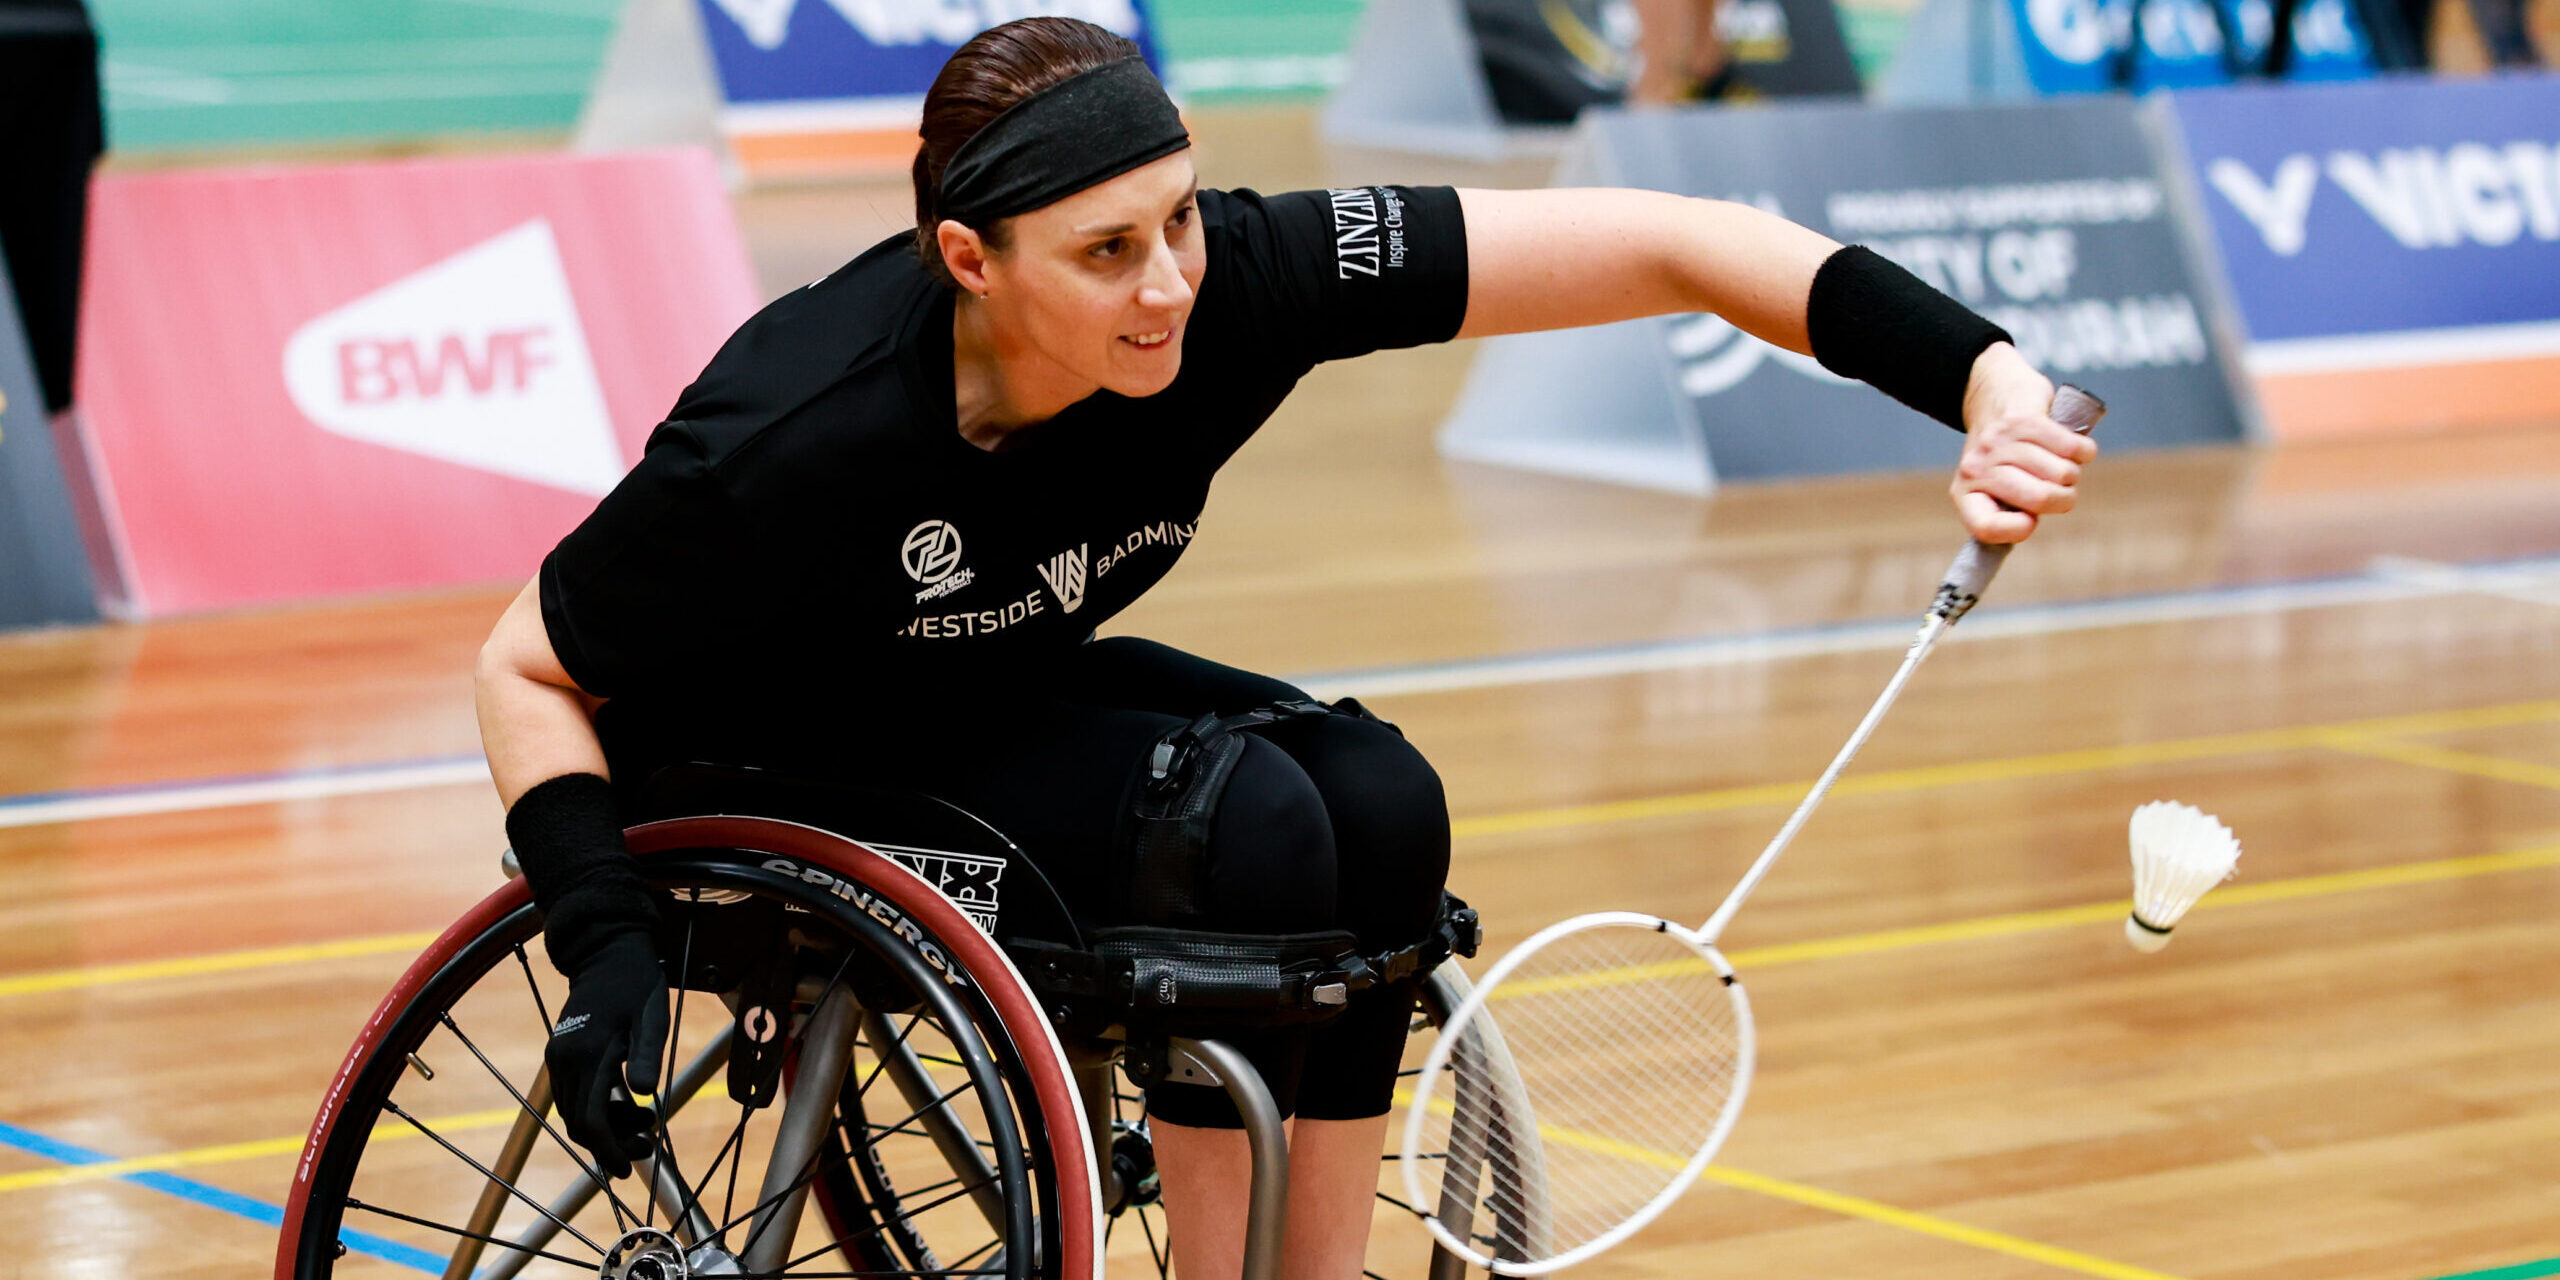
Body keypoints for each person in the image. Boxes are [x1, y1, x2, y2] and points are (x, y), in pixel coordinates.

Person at [473, 17, 2095, 1280]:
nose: (1169, 284)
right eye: (1108, 253)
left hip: (965, 686)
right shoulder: (790, 437)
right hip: (760, 755)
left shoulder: (1235, 279)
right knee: (1236, 827)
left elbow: (1682, 240)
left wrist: (1990, 383)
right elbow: (529, 671)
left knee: (1377, 800)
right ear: (972, 262)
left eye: (1178, 220)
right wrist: (601, 939)